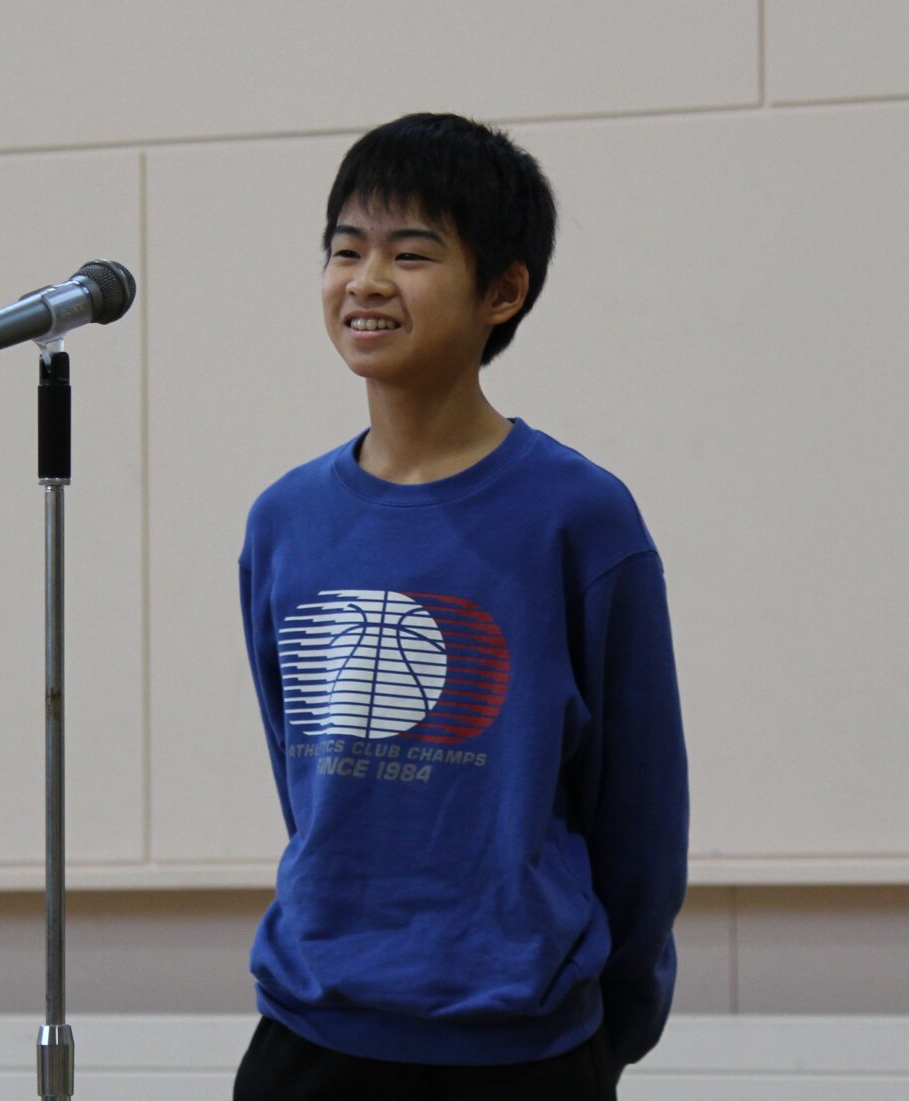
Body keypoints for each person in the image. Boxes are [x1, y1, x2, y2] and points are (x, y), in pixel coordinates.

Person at [234, 112, 689, 1100]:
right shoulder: (284, 521)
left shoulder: (578, 515)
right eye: (345, 250)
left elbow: (640, 811)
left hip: (522, 1045)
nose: (365, 281)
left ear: (503, 291)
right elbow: (304, 775)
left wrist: (611, 1022)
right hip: (312, 1031)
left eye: (410, 254)